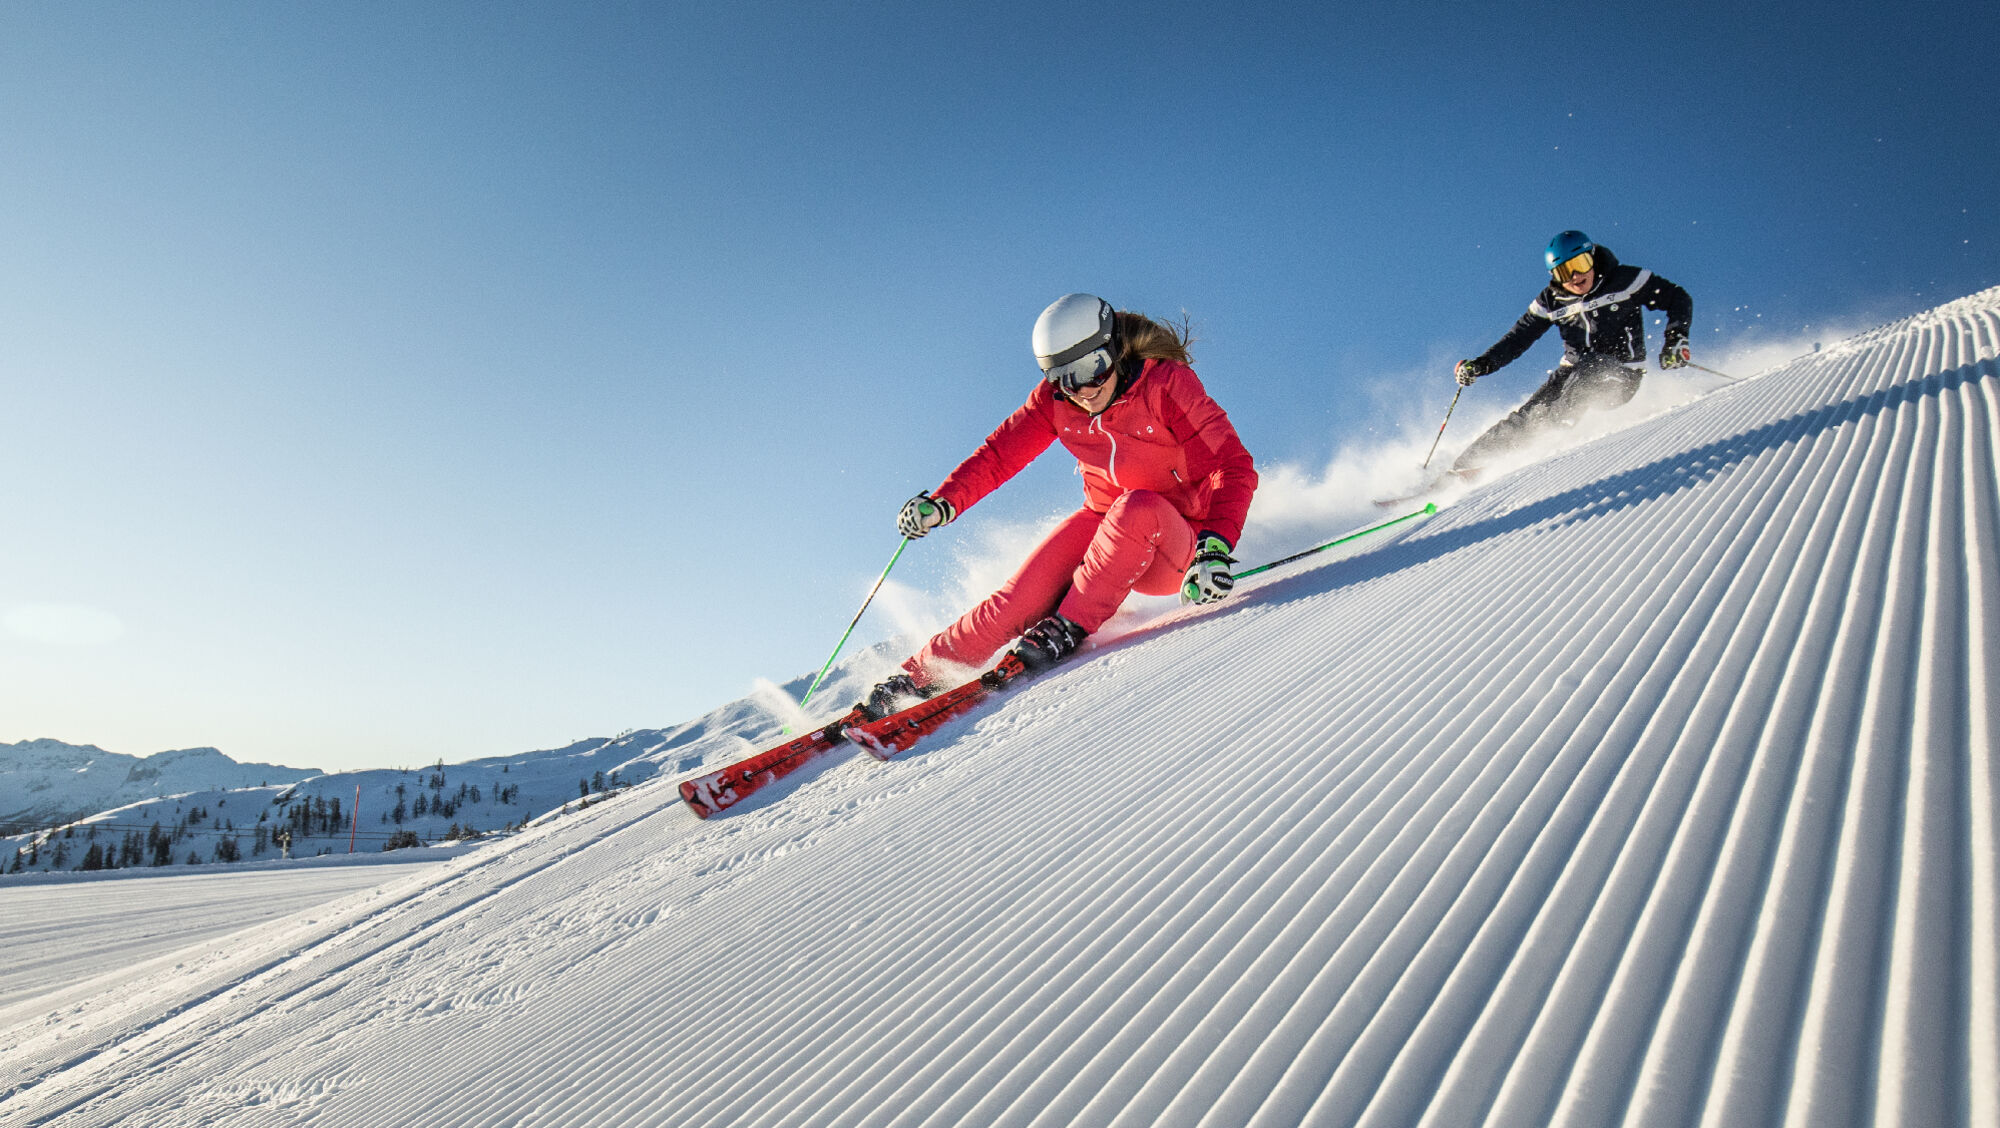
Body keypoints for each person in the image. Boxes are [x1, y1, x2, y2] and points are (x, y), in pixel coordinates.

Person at [858, 293, 1259, 719]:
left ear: (1115, 350)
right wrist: (942, 503)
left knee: (1138, 507)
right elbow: (999, 455)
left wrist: (1214, 547)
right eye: (1064, 377)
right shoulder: (1056, 402)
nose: (1083, 389)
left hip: (1179, 544)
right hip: (1105, 524)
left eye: (1092, 368)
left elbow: (1231, 465)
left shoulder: (1165, 385)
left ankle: (1067, 627)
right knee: (1018, 598)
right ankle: (921, 675)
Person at [1450, 230, 1693, 473]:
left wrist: (1675, 339)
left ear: (1593, 258)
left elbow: (1677, 298)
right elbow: (1517, 339)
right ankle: (1461, 469)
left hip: (1621, 375)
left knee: (1589, 371)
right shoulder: (1551, 301)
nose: (1575, 276)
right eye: (1565, 272)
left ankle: (1542, 445)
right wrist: (1481, 365)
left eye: (1581, 264)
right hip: (1572, 371)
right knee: (1529, 414)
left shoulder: (1625, 280)